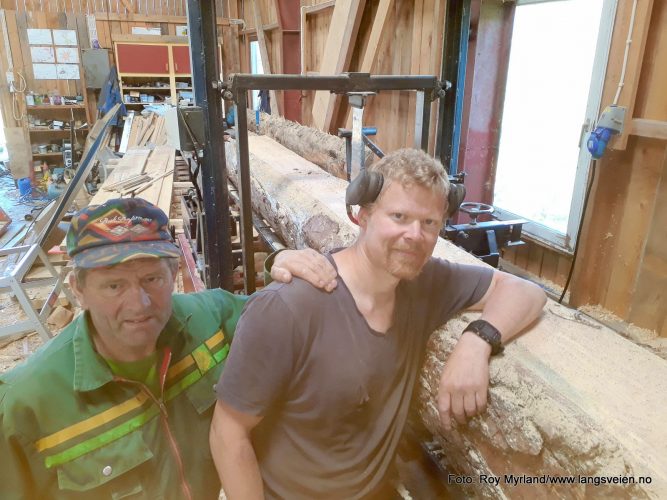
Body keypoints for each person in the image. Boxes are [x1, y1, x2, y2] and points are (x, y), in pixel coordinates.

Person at [211, 148, 547, 499]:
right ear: (363, 216)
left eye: (429, 222)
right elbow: (227, 433)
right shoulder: (288, 307)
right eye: (399, 216)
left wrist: (477, 341)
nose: (415, 235)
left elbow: (526, 291)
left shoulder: (425, 284)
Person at [0, 197, 336, 499]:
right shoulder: (25, 406)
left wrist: (285, 263)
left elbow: (276, 315)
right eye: (114, 285)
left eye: (153, 279)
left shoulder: (211, 321)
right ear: (78, 290)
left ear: (174, 272)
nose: (139, 303)